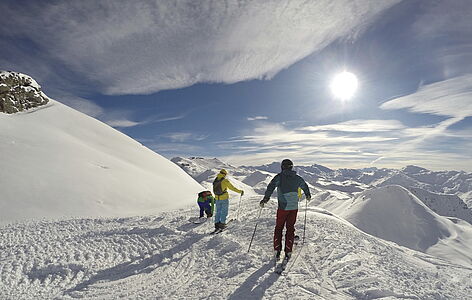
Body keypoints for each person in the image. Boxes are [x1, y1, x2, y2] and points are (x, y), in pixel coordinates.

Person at [260, 159, 311, 262]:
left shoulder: (279, 178)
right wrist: (308, 195)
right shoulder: (297, 178)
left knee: (279, 228)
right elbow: (304, 186)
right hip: (294, 207)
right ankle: (288, 251)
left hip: (283, 207)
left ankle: (277, 250)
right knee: (290, 228)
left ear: (282, 167)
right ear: (291, 167)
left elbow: (270, 187)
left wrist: (265, 199)